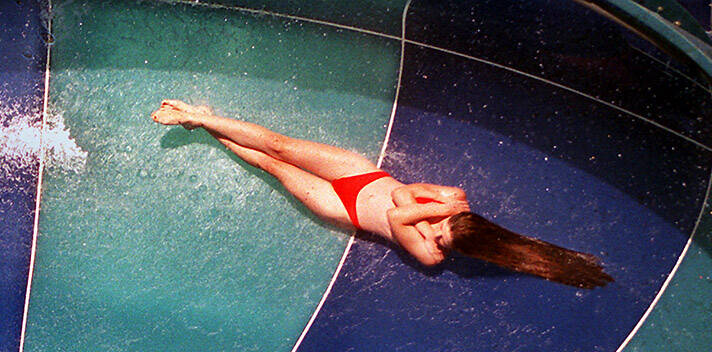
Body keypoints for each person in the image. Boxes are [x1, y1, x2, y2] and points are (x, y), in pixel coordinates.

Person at [151, 100, 611, 289]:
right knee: (280, 144)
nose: (439, 234)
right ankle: (203, 115)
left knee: (271, 165)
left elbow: (397, 218)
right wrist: (428, 204)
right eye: (448, 226)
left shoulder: (432, 255)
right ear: (470, 221)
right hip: (362, 176)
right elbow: (411, 194)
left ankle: (205, 127)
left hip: (345, 206)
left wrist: (422, 209)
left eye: (444, 238)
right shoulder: (455, 206)